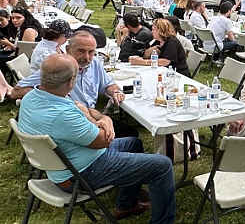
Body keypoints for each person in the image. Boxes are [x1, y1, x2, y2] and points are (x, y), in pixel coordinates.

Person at [18, 54, 176, 223]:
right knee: (162, 165)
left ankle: (126, 205)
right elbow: (103, 141)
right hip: (81, 174)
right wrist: (99, 119)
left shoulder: (33, 97)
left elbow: (81, 110)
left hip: (64, 166)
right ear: (71, 81)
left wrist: (101, 118)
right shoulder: (63, 115)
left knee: (133, 143)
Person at [13, 31, 138, 138]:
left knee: (130, 132)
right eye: (81, 51)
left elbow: (108, 84)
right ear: (68, 49)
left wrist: (115, 91)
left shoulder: (94, 64)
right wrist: (49, 95)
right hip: (70, 118)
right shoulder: (58, 67)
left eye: (91, 52)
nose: (87, 57)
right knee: (124, 137)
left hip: (91, 114)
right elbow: (16, 91)